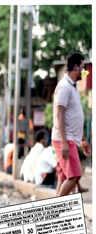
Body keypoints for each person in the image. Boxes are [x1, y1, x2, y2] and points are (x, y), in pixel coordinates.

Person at [52, 52, 91, 196]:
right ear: (76, 67)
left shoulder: (72, 86)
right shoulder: (64, 87)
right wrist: (64, 142)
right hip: (64, 138)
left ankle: (55, 210)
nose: (84, 71)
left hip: (70, 138)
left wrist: (82, 140)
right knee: (74, 176)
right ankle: (57, 208)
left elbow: (74, 116)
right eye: (82, 67)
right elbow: (59, 115)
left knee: (64, 178)